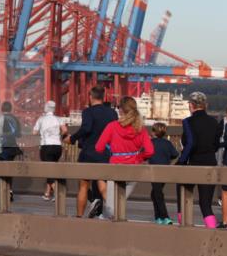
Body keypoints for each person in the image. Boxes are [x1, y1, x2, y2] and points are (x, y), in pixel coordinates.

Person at [95, 96, 153, 218]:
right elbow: (150, 151)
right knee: (118, 204)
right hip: (134, 169)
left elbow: (98, 148)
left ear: (121, 110)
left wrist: (111, 147)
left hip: (115, 167)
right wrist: (139, 158)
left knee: (111, 208)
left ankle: (102, 222)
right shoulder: (140, 129)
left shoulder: (112, 126)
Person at [66, 85, 117, 218]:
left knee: (83, 185)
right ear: (103, 97)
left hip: (89, 152)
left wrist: (72, 138)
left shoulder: (88, 112)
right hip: (105, 153)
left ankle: (79, 217)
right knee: (102, 183)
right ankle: (113, 213)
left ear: (90, 97)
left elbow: (86, 129)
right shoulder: (112, 113)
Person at [176, 91, 221, 229]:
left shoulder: (188, 122)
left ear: (191, 105)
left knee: (183, 196)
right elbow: (216, 145)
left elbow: (190, 143)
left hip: (193, 164)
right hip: (210, 163)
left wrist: (181, 161)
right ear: (204, 105)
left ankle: (184, 227)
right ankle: (212, 231)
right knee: (205, 203)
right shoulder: (214, 122)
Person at [33, 100, 67, 200]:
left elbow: (34, 132)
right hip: (57, 146)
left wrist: (42, 133)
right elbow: (65, 130)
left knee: (48, 170)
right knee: (52, 170)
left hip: (46, 146)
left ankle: (57, 193)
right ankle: (47, 193)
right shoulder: (59, 119)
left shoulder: (41, 119)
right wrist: (58, 136)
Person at [148, 122, 178, 224]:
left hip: (154, 171)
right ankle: (158, 217)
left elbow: (144, 154)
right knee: (155, 193)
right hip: (165, 171)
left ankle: (165, 217)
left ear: (154, 132)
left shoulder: (151, 142)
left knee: (158, 194)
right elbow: (175, 154)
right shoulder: (167, 143)